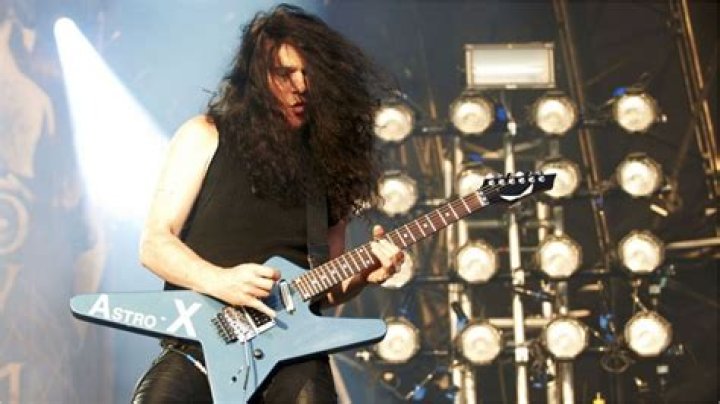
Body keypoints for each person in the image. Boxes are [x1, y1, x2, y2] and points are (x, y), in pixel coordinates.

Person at [131, 4, 403, 403]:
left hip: (294, 356)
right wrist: (219, 281)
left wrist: (363, 275)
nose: (301, 86)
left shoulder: (332, 166)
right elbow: (155, 244)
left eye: (310, 73)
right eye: (285, 74)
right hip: (202, 344)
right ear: (257, 78)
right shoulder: (205, 135)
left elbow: (325, 288)